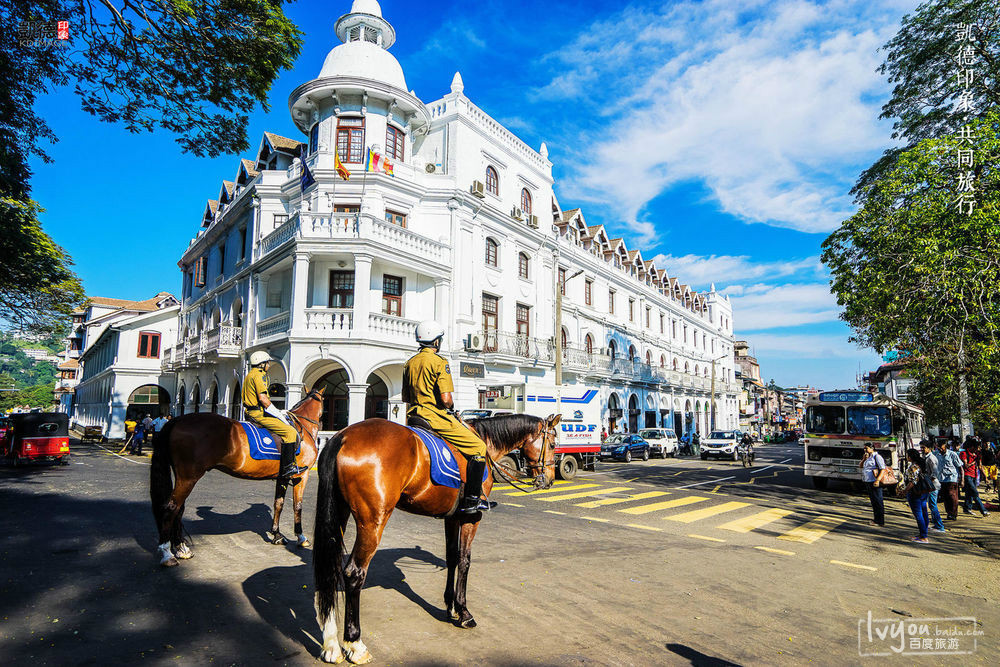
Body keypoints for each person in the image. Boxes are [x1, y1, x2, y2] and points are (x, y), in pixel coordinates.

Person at [403, 321, 490, 514]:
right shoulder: (439, 362)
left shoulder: (410, 363)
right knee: (479, 448)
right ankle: (472, 500)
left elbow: (405, 398)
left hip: (414, 416)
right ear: (435, 342)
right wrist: (451, 408)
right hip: (435, 417)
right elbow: (446, 399)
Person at [242, 351, 306, 481]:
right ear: (262, 364)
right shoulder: (260, 376)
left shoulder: (250, 374)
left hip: (250, 411)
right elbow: (263, 399)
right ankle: (288, 467)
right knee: (290, 432)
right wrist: (278, 413)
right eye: (267, 363)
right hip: (258, 413)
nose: (269, 365)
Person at [900, 448, 930, 543]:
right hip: (923, 492)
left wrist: (905, 490)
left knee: (919, 514)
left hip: (914, 493)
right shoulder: (920, 465)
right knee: (923, 512)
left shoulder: (913, 467)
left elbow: (912, 481)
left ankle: (924, 536)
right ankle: (923, 533)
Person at [934, 438, 963, 521]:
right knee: (945, 497)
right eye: (938, 447)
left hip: (952, 478)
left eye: (941, 447)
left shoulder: (952, 454)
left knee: (952, 496)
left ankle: (954, 514)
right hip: (941, 479)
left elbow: (960, 467)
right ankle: (949, 513)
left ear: (946, 446)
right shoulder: (936, 454)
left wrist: (962, 479)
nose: (940, 448)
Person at [920, 440, 945, 533]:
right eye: (921, 447)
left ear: (929, 448)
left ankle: (940, 526)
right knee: (931, 505)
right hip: (930, 485)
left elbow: (935, 473)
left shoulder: (931, 458)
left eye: (923, 447)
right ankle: (936, 524)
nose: (922, 449)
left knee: (933, 505)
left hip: (933, 485)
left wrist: (929, 483)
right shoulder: (926, 457)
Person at [960, 439, 989, 517]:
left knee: (969, 493)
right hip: (966, 475)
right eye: (977, 447)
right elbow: (965, 465)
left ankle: (967, 508)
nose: (978, 449)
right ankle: (983, 510)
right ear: (972, 447)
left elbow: (980, 466)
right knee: (975, 493)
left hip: (974, 475)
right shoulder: (964, 453)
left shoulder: (977, 455)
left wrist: (985, 477)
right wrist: (974, 461)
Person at [859, 443, 886, 527]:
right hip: (868, 481)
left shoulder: (877, 457)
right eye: (864, 449)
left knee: (878, 501)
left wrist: (877, 480)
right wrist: (864, 459)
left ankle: (880, 521)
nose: (865, 450)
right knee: (874, 501)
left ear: (872, 448)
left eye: (866, 448)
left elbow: (883, 469)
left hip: (874, 481)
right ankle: (876, 519)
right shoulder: (868, 457)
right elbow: (860, 466)